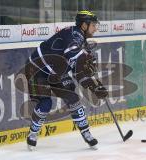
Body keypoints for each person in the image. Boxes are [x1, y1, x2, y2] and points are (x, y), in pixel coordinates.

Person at [24, 10, 108, 150]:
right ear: (84, 25)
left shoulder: (81, 39)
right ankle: (33, 134)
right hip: (37, 69)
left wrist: (95, 86)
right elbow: (72, 52)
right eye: (93, 25)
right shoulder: (74, 35)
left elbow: (78, 73)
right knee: (45, 103)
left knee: (72, 98)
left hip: (55, 72)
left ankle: (86, 133)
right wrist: (83, 57)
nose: (95, 28)